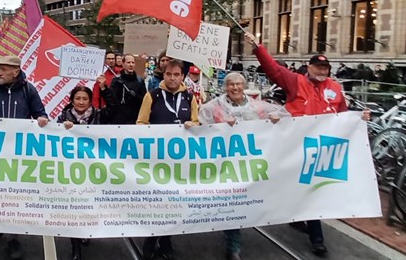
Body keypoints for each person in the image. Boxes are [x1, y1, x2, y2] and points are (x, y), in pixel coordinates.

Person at [244, 32, 368, 255]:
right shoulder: (296, 81)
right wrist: (257, 46)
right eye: (318, 67)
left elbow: (343, 115)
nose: (322, 71)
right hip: (294, 146)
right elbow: (273, 69)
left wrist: (359, 119)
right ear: (308, 67)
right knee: (294, 184)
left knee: (313, 190)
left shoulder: (335, 88)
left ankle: (316, 237)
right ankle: (295, 216)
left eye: (325, 68)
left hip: (321, 149)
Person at [199, 72, 288, 260]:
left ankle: (234, 233)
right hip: (225, 164)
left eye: (238, 84)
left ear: (244, 86)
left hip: (249, 165)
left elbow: (284, 116)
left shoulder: (256, 106)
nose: (235, 87)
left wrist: (275, 119)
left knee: (245, 201)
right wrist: (220, 125)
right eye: (231, 84)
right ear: (225, 87)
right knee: (232, 202)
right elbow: (203, 125)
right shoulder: (214, 107)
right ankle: (233, 245)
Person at [0, 55, 48, 259]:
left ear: (16, 71)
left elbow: (40, 113)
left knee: (14, 195)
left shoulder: (29, 90)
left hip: (19, 155)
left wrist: (42, 119)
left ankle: (13, 238)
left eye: (3, 69)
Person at [136, 59, 198, 260]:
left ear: (182, 77)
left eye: (176, 74)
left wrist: (193, 125)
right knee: (156, 202)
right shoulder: (152, 96)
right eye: (169, 74)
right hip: (157, 160)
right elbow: (141, 123)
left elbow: (197, 123)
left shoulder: (189, 97)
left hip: (180, 162)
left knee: (174, 202)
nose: (172, 78)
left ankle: (166, 240)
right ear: (163, 75)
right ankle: (150, 239)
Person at [55, 75, 116, 260]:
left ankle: (86, 231)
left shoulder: (98, 115)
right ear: (72, 100)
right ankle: (75, 248)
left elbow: (114, 107)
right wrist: (61, 128)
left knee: (89, 206)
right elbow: (53, 138)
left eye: (84, 99)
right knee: (74, 208)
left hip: (93, 170)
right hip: (72, 170)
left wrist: (104, 88)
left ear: (90, 101)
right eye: (77, 98)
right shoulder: (63, 117)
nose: (81, 102)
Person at [109, 54, 147, 124]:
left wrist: (135, 97)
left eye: (133, 62)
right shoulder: (116, 80)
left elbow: (144, 100)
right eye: (128, 62)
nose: (131, 65)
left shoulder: (139, 81)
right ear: (123, 64)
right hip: (119, 120)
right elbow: (112, 100)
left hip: (135, 118)